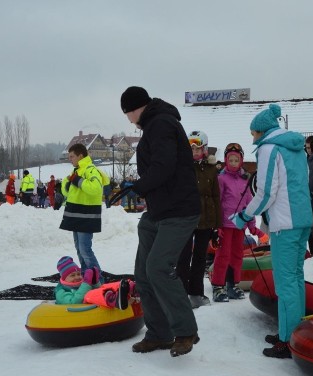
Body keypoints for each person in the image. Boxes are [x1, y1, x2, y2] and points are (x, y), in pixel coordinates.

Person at [120, 85, 200, 357]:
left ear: (135, 108)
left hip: (178, 211)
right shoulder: (154, 125)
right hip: (157, 211)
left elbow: (164, 167)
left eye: (127, 113)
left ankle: (186, 330)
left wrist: (139, 186)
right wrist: (140, 187)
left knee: (158, 268)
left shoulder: (161, 123)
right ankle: (159, 333)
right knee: (143, 274)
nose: (129, 120)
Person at [230, 104, 312, 358]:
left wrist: (244, 215)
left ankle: (288, 342)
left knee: (285, 283)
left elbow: (266, 190)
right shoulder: (296, 148)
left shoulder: (268, 148)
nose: (252, 138)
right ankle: (293, 332)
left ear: (261, 131)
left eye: (253, 133)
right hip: (302, 220)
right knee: (296, 278)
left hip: (284, 225)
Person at [176, 130, 222, 308]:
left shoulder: (211, 169)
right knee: (183, 256)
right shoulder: (182, 168)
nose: (194, 152)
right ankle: (180, 294)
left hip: (206, 219)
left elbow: (215, 196)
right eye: (191, 149)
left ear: (204, 149)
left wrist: (217, 225)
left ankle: (196, 293)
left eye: (197, 149)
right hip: (186, 218)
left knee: (200, 257)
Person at [213, 142, 263, 302]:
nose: (233, 163)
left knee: (237, 254)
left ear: (241, 161)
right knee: (223, 254)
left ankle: (232, 284)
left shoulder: (245, 180)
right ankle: (218, 285)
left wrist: (252, 225)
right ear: (226, 161)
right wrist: (217, 224)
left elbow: (249, 203)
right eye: (230, 160)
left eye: (236, 160)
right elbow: (218, 202)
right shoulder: (222, 179)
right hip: (226, 225)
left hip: (239, 225)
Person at [60, 142, 108, 282]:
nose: (70, 159)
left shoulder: (90, 170)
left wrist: (77, 181)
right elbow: (66, 189)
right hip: (76, 215)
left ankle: (98, 280)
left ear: (81, 155)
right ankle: (87, 279)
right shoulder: (76, 171)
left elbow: (96, 188)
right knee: (80, 250)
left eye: (72, 156)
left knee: (85, 250)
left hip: (86, 216)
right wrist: (69, 184)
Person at [54, 256, 131, 309]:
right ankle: (112, 299)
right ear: (64, 278)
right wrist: (86, 283)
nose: (77, 277)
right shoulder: (61, 291)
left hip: (87, 306)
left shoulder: (80, 285)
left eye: (79, 274)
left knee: (104, 287)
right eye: (72, 275)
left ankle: (127, 287)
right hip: (73, 314)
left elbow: (98, 290)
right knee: (89, 295)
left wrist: (95, 282)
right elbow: (74, 303)